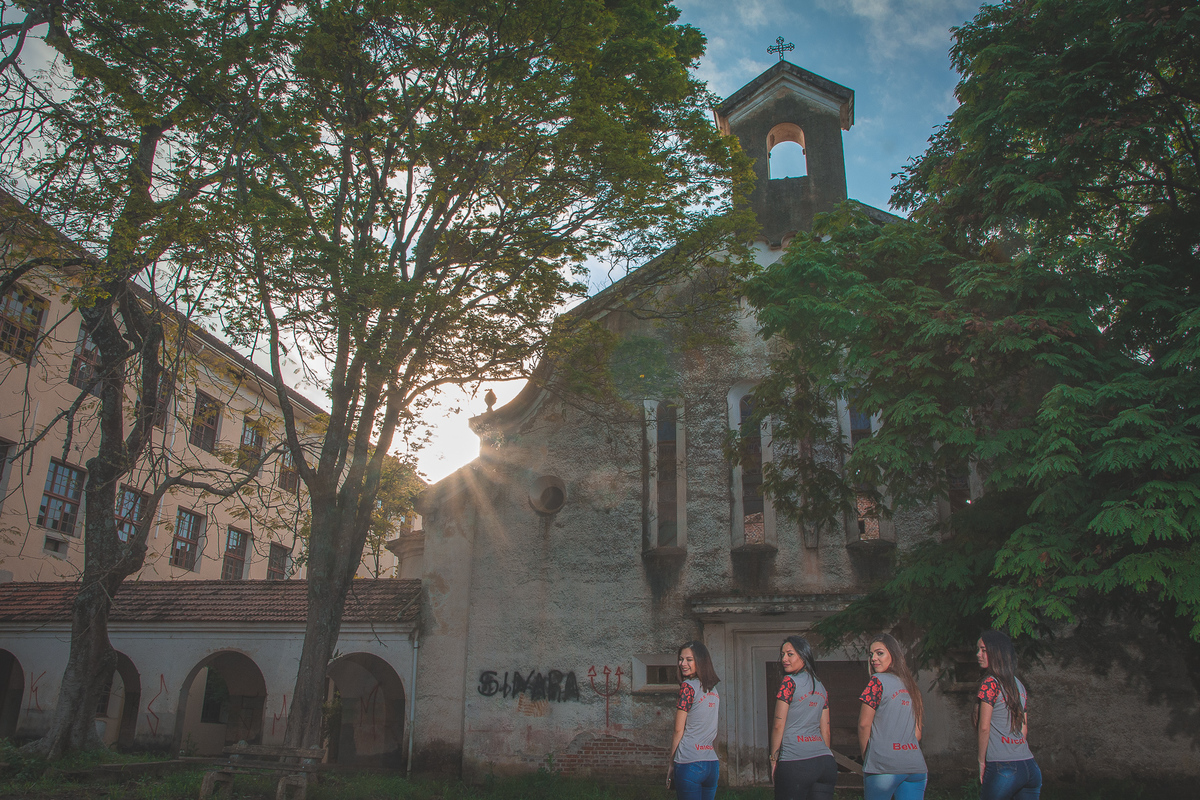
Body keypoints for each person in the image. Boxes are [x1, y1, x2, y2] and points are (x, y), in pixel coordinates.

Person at [858, 633, 927, 800]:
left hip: (883, 766)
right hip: (915, 767)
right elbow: (917, 734)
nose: (873, 658)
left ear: (894, 656)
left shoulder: (877, 681)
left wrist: (867, 757)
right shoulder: (912, 686)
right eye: (871, 654)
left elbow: (863, 725)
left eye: (879, 653)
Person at [769, 635, 837, 800]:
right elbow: (826, 730)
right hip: (825, 764)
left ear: (803, 655)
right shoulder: (821, 687)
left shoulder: (789, 683)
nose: (784, 658)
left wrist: (773, 759)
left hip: (796, 763)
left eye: (790, 654)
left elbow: (779, 725)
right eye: (782, 654)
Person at [975, 631, 1041, 799]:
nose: (978, 654)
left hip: (1003, 767)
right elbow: (1024, 730)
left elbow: (984, 727)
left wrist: (982, 761)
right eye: (978, 650)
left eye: (983, 650)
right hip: (1029, 767)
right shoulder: (1019, 685)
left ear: (997, 652)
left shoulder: (990, 683)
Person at [668, 640, 721, 800]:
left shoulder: (687, 687)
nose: (682, 663)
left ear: (700, 661)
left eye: (689, 660)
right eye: (681, 659)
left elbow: (678, 730)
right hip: (711, 763)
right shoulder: (713, 690)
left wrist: (671, 764)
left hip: (689, 762)